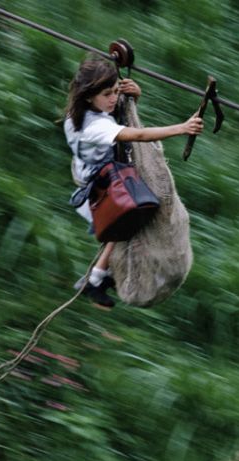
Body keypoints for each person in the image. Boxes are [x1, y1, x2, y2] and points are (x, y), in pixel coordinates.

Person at [64, 56, 203, 309]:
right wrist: (182, 128)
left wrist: (133, 96)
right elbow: (136, 134)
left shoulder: (85, 111)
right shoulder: (93, 127)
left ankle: (98, 277)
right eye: (107, 94)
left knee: (119, 233)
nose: (113, 98)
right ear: (88, 96)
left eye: (116, 91)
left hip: (103, 173)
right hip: (100, 189)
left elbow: (119, 117)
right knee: (128, 221)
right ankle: (97, 279)